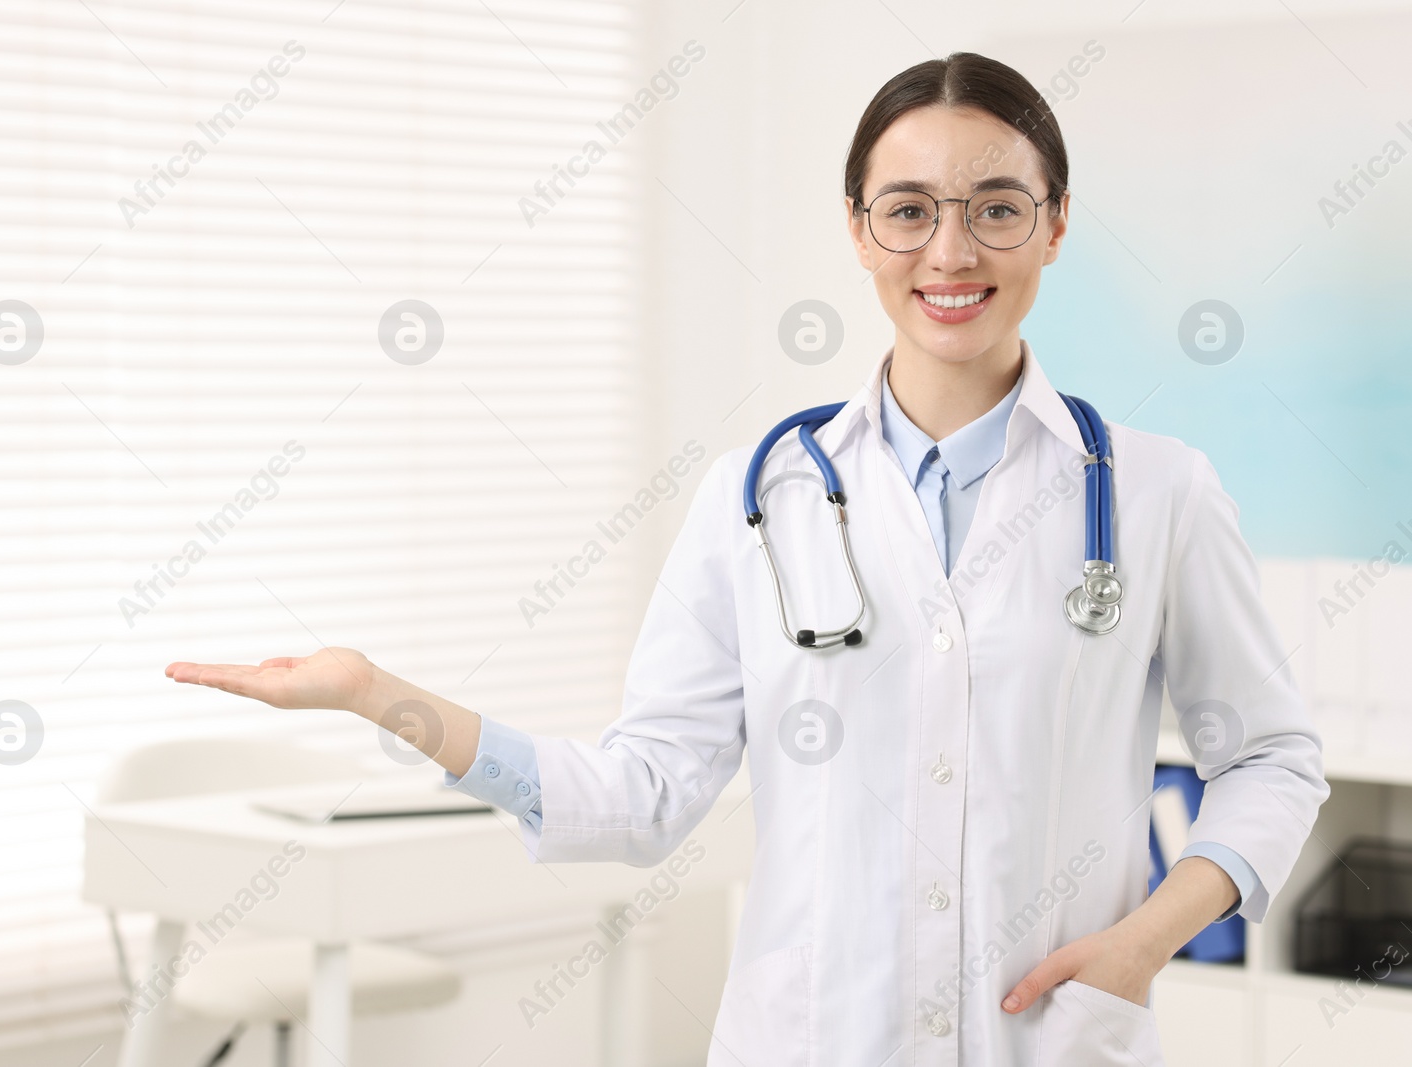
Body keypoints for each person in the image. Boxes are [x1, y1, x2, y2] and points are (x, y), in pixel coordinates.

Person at [166, 51, 1328, 1066]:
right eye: (909, 209)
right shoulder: (752, 498)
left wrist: (1144, 938)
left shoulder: (1153, 491)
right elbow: (641, 795)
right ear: (859, 227)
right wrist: (382, 697)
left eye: (996, 207)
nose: (950, 250)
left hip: (1052, 1032)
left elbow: (1272, 756)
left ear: (1057, 222)